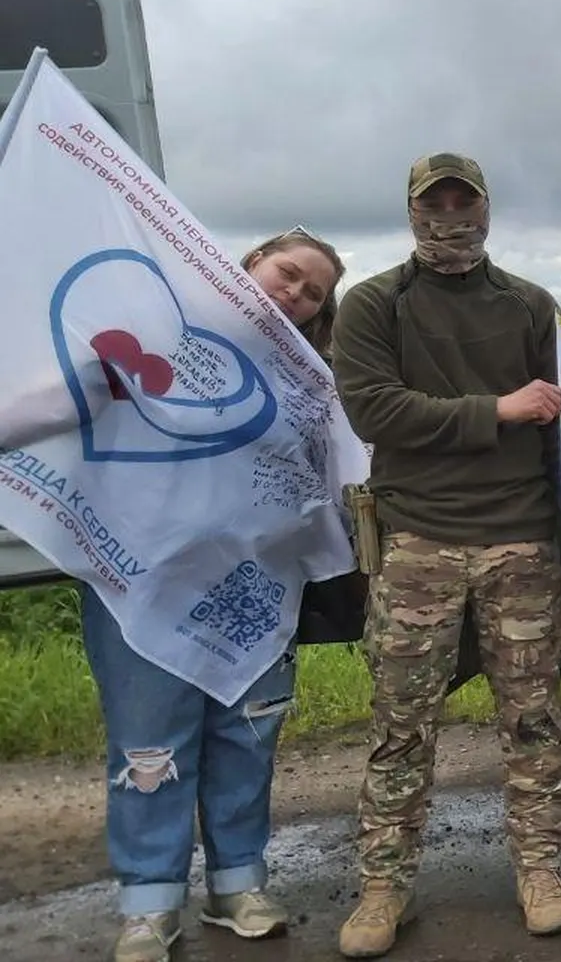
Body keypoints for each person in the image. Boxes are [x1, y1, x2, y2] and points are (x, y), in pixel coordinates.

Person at [331, 154, 561, 957]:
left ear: (486, 211)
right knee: (403, 724)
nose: (449, 217)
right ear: (411, 214)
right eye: (433, 203)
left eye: (462, 201)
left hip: (521, 540)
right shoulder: (374, 304)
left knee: (533, 720)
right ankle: (383, 887)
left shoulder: (529, 306)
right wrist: (497, 410)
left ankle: (541, 871)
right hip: (419, 543)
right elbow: (376, 411)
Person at [86, 227, 345, 962]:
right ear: (251, 263)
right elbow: (73, 413)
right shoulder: (154, 336)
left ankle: (239, 885)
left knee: (246, 737)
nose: (293, 293)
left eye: (312, 293)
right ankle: (148, 905)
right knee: (149, 745)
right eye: (287, 273)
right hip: (139, 582)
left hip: (256, 587)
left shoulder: (308, 383)